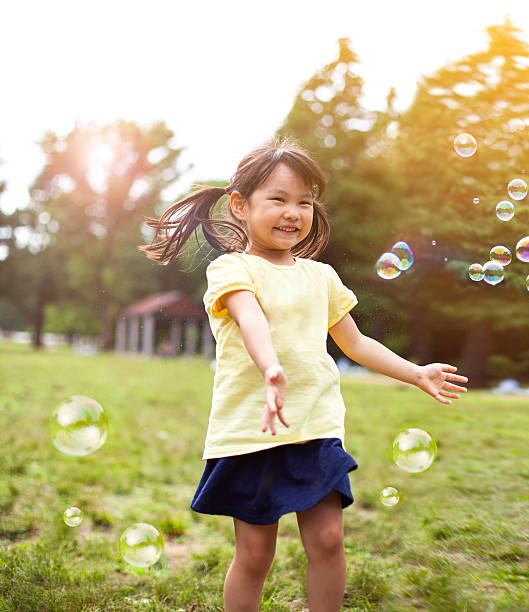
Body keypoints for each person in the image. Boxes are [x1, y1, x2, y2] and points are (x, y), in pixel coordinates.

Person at [139, 138, 468, 612]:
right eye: (277, 199)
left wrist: (414, 373)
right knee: (255, 555)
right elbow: (250, 318)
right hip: (252, 430)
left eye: (304, 202)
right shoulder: (231, 268)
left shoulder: (322, 277)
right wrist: (271, 367)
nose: (292, 212)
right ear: (239, 205)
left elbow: (355, 343)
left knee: (330, 539)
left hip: (315, 426)